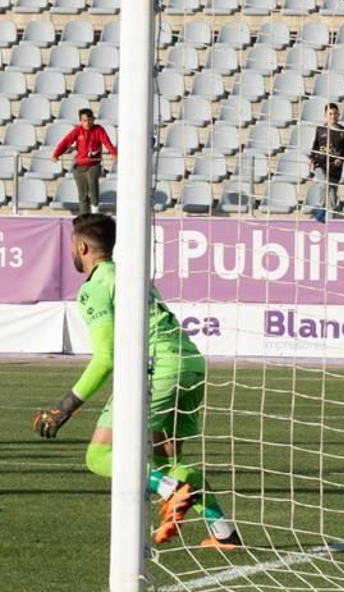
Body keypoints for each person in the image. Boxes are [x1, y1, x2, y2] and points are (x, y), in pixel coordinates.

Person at [34, 213, 241, 550]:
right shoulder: (132, 275)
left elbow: (106, 357)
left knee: (99, 456)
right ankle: (224, 533)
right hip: (189, 362)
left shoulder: (96, 287)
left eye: (72, 245)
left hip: (157, 367)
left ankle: (171, 491)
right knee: (168, 463)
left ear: (82, 246)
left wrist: (64, 408)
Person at [52, 108, 118, 216]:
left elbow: (107, 142)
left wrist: (114, 154)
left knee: (92, 184)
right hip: (79, 167)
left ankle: (95, 214)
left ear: (93, 119)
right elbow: (66, 142)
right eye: (84, 120)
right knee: (82, 195)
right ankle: (84, 217)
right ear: (80, 121)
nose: (87, 123)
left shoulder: (99, 130)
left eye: (89, 120)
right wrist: (56, 154)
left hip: (94, 165)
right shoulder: (77, 131)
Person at [309, 102, 344, 222]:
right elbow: (315, 146)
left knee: (333, 195)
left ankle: (332, 220)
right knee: (324, 184)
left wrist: (342, 158)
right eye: (330, 114)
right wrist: (311, 159)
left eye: (335, 114)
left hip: (335, 168)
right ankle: (321, 212)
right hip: (321, 164)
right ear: (325, 115)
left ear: (338, 115)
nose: (333, 116)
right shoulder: (320, 130)